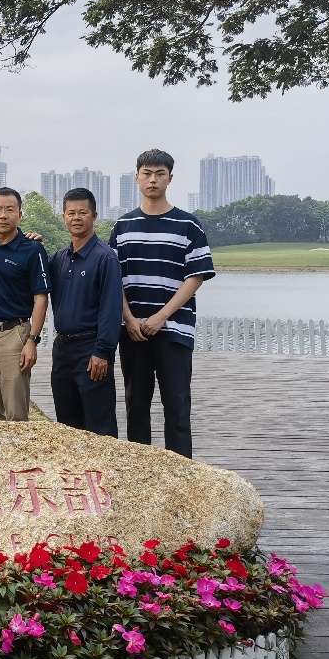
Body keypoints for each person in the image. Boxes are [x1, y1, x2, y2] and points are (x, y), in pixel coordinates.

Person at [108, 149, 215, 457]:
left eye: (160, 174)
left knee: (177, 407)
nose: (153, 180)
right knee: (136, 406)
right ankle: (141, 473)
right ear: (137, 177)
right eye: (147, 174)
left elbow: (196, 276)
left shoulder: (188, 225)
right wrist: (129, 318)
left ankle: (183, 475)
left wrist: (162, 316)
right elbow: (114, 278)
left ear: (170, 178)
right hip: (133, 331)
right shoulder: (123, 226)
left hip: (174, 330)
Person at [0, 187, 50, 421]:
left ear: (20, 215)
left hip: (13, 335)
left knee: (16, 414)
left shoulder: (33, 249)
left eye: (9, 210)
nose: (2, 215)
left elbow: (41, 297)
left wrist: (32, 340)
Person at [48, 187, 122, 437]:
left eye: (83, 212)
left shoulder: (105, 257)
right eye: (71, 213)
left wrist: (103, 351)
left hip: (91, 349)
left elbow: (112, 308)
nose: (76, 218)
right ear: (64, 217)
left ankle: (107, 464)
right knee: (67, 423)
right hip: (62, 349)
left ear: (94, 216)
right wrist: (30, 244)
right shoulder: (59, 258)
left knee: (99, 424)